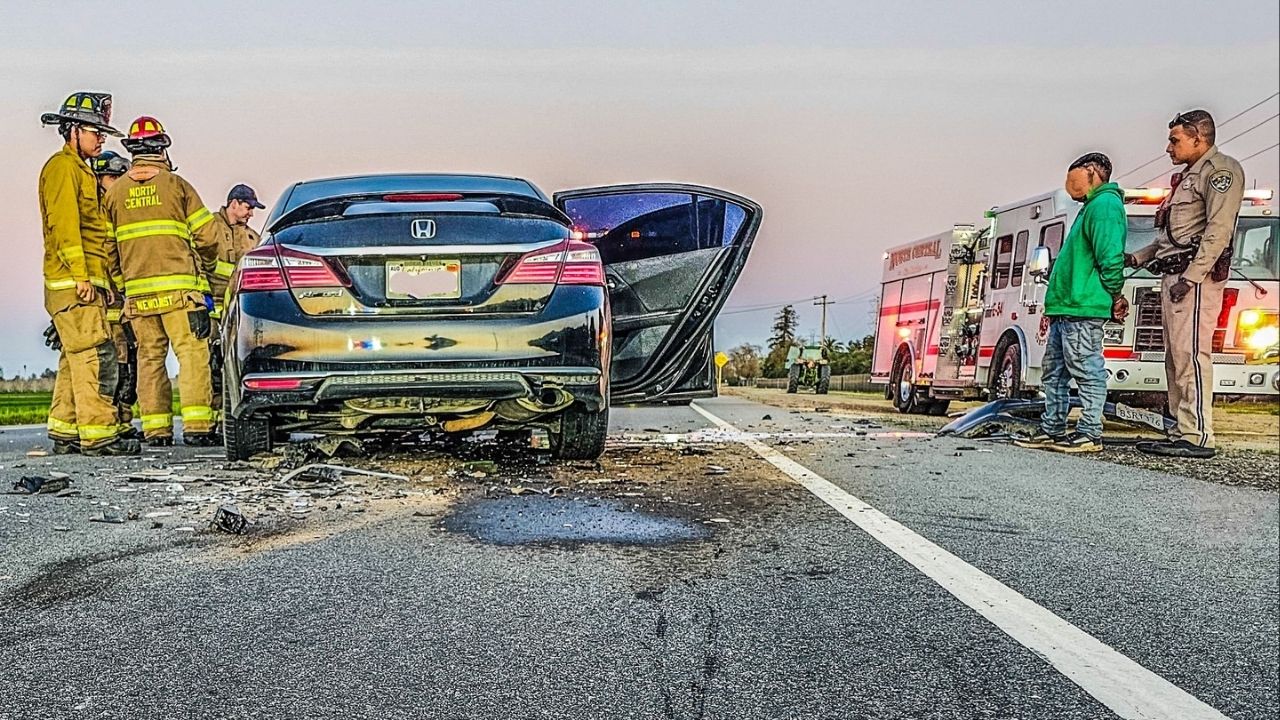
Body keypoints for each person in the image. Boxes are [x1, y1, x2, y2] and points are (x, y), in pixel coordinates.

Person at [1127, 110, 1245, 459]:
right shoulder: (1187, 178)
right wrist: (1137, 257)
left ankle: (1198, 435)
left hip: (1194, 278)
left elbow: (1217, 231)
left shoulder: (1220, 172)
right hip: (1173, 273)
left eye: (1175, 140)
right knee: (1175, 357)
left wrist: (1192, 278)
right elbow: (1173, 237)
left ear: (1198, 138)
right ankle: (1181, 429)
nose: (1168, 147)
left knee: (1192, 354)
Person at [102, 116, 223, 446]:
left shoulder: (114, 196)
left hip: (138, 298)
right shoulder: (178, 186)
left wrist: (123, 284)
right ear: (162, 149)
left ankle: (156, 430)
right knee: (192, 356)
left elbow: (108, 250)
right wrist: (206, 267)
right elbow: (209, 237)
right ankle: (198, 428)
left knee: (149, 359)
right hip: (180, 294)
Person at [37, 92, 140, 456]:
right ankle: (99, 436)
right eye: (95, 132)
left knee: (74, 358)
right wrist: (81, 276)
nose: (101, 139)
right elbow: (65, 227)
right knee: (95, 355)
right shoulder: (62, 168)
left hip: (86, 282)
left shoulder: (81, 169)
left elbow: (94, 235)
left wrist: (104, 284)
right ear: (74, 131)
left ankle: (65, 431)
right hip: (72, 283)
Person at [1016, 153, 1127, 453]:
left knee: (1087, 369)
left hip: (1082, 306)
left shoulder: (1104, 205)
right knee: (1054, 372)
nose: (1067, 185)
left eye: (1072, 177)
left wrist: (1114, 293)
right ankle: (1052, 427)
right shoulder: (1090, 207)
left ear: (1091, 172)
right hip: (1065, 307)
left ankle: (1090, 433)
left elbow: (1111, 257)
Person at [92, 151, 141, 440]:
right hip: (108, 301)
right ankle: (114, 422)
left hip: (122, 300)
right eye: (111, 177)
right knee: (114, 363)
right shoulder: (100, 211)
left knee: (128, 363)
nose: (114, 183)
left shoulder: (118, 208)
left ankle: (123, 421)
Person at [207, 184, 265, 420]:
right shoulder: (209, 228)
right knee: (209, 364)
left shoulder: (253, 237)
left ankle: (227, 419)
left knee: (231, 364)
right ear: (234, 203)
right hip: (211, 307)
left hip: (238, 313)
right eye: (249, 207)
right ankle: (209, 419)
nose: (251, 213)